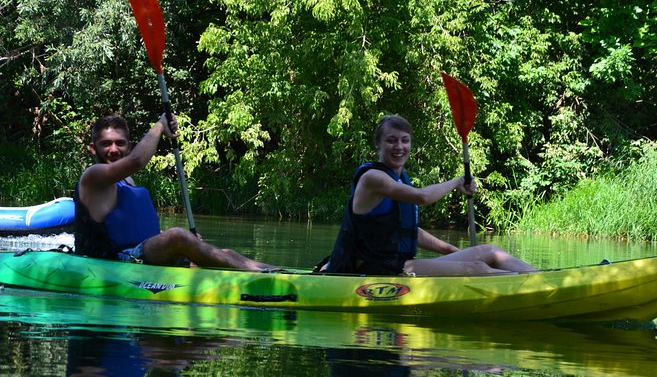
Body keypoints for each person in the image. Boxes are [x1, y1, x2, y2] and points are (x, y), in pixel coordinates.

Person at [324, 114, 536, 276]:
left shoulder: (399, 178)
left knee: (488, 251)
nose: (399, 146)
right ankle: (533, 291)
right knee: (477, 268)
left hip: (397, 264)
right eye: (391, 140)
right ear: (378, 144)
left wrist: (453, 252)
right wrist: (457, 182)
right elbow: (422, 197)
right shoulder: (373, 178)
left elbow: (409, 231)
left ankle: (540, 278)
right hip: (372, 269)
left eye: (405, 140)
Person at [74, 114, 277, 272]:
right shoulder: (92, 177)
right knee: (178, 235)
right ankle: (253, 275)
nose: (114, 149)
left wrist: (181, 240)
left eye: (120, 143)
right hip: (116, 260)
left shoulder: (127, 181)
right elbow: (137, 161)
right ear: (93, 148)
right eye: (106, 143)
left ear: (129, 146)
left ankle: (277, 271)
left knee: (225, 252)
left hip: (141, 252)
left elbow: (133, 230)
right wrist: (161, 124)